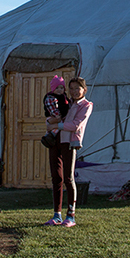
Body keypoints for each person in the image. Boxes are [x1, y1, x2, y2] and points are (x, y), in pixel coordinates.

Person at [43, 77, 93, 227]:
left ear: (84, 89)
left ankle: (70, 215)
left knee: (68, 178)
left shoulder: (86, 105)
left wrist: (55, 124)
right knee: (56, 177)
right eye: (71, 88)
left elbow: (75, 125)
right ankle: (56, 214)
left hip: (70, 142)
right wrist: (50, 124)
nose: (73, 91)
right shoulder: (64, 101)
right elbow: (49, 117)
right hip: (56, 141)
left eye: (77, 88)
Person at [43, 76, 70, 140]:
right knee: (54, 128)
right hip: (54, 116)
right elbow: (51, 107)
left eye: (61, 88)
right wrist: (57, 115)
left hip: (62, 117)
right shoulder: (51, 97)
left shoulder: (64, 97)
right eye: (57, 88)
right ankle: (49, 137)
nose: (59, 90)